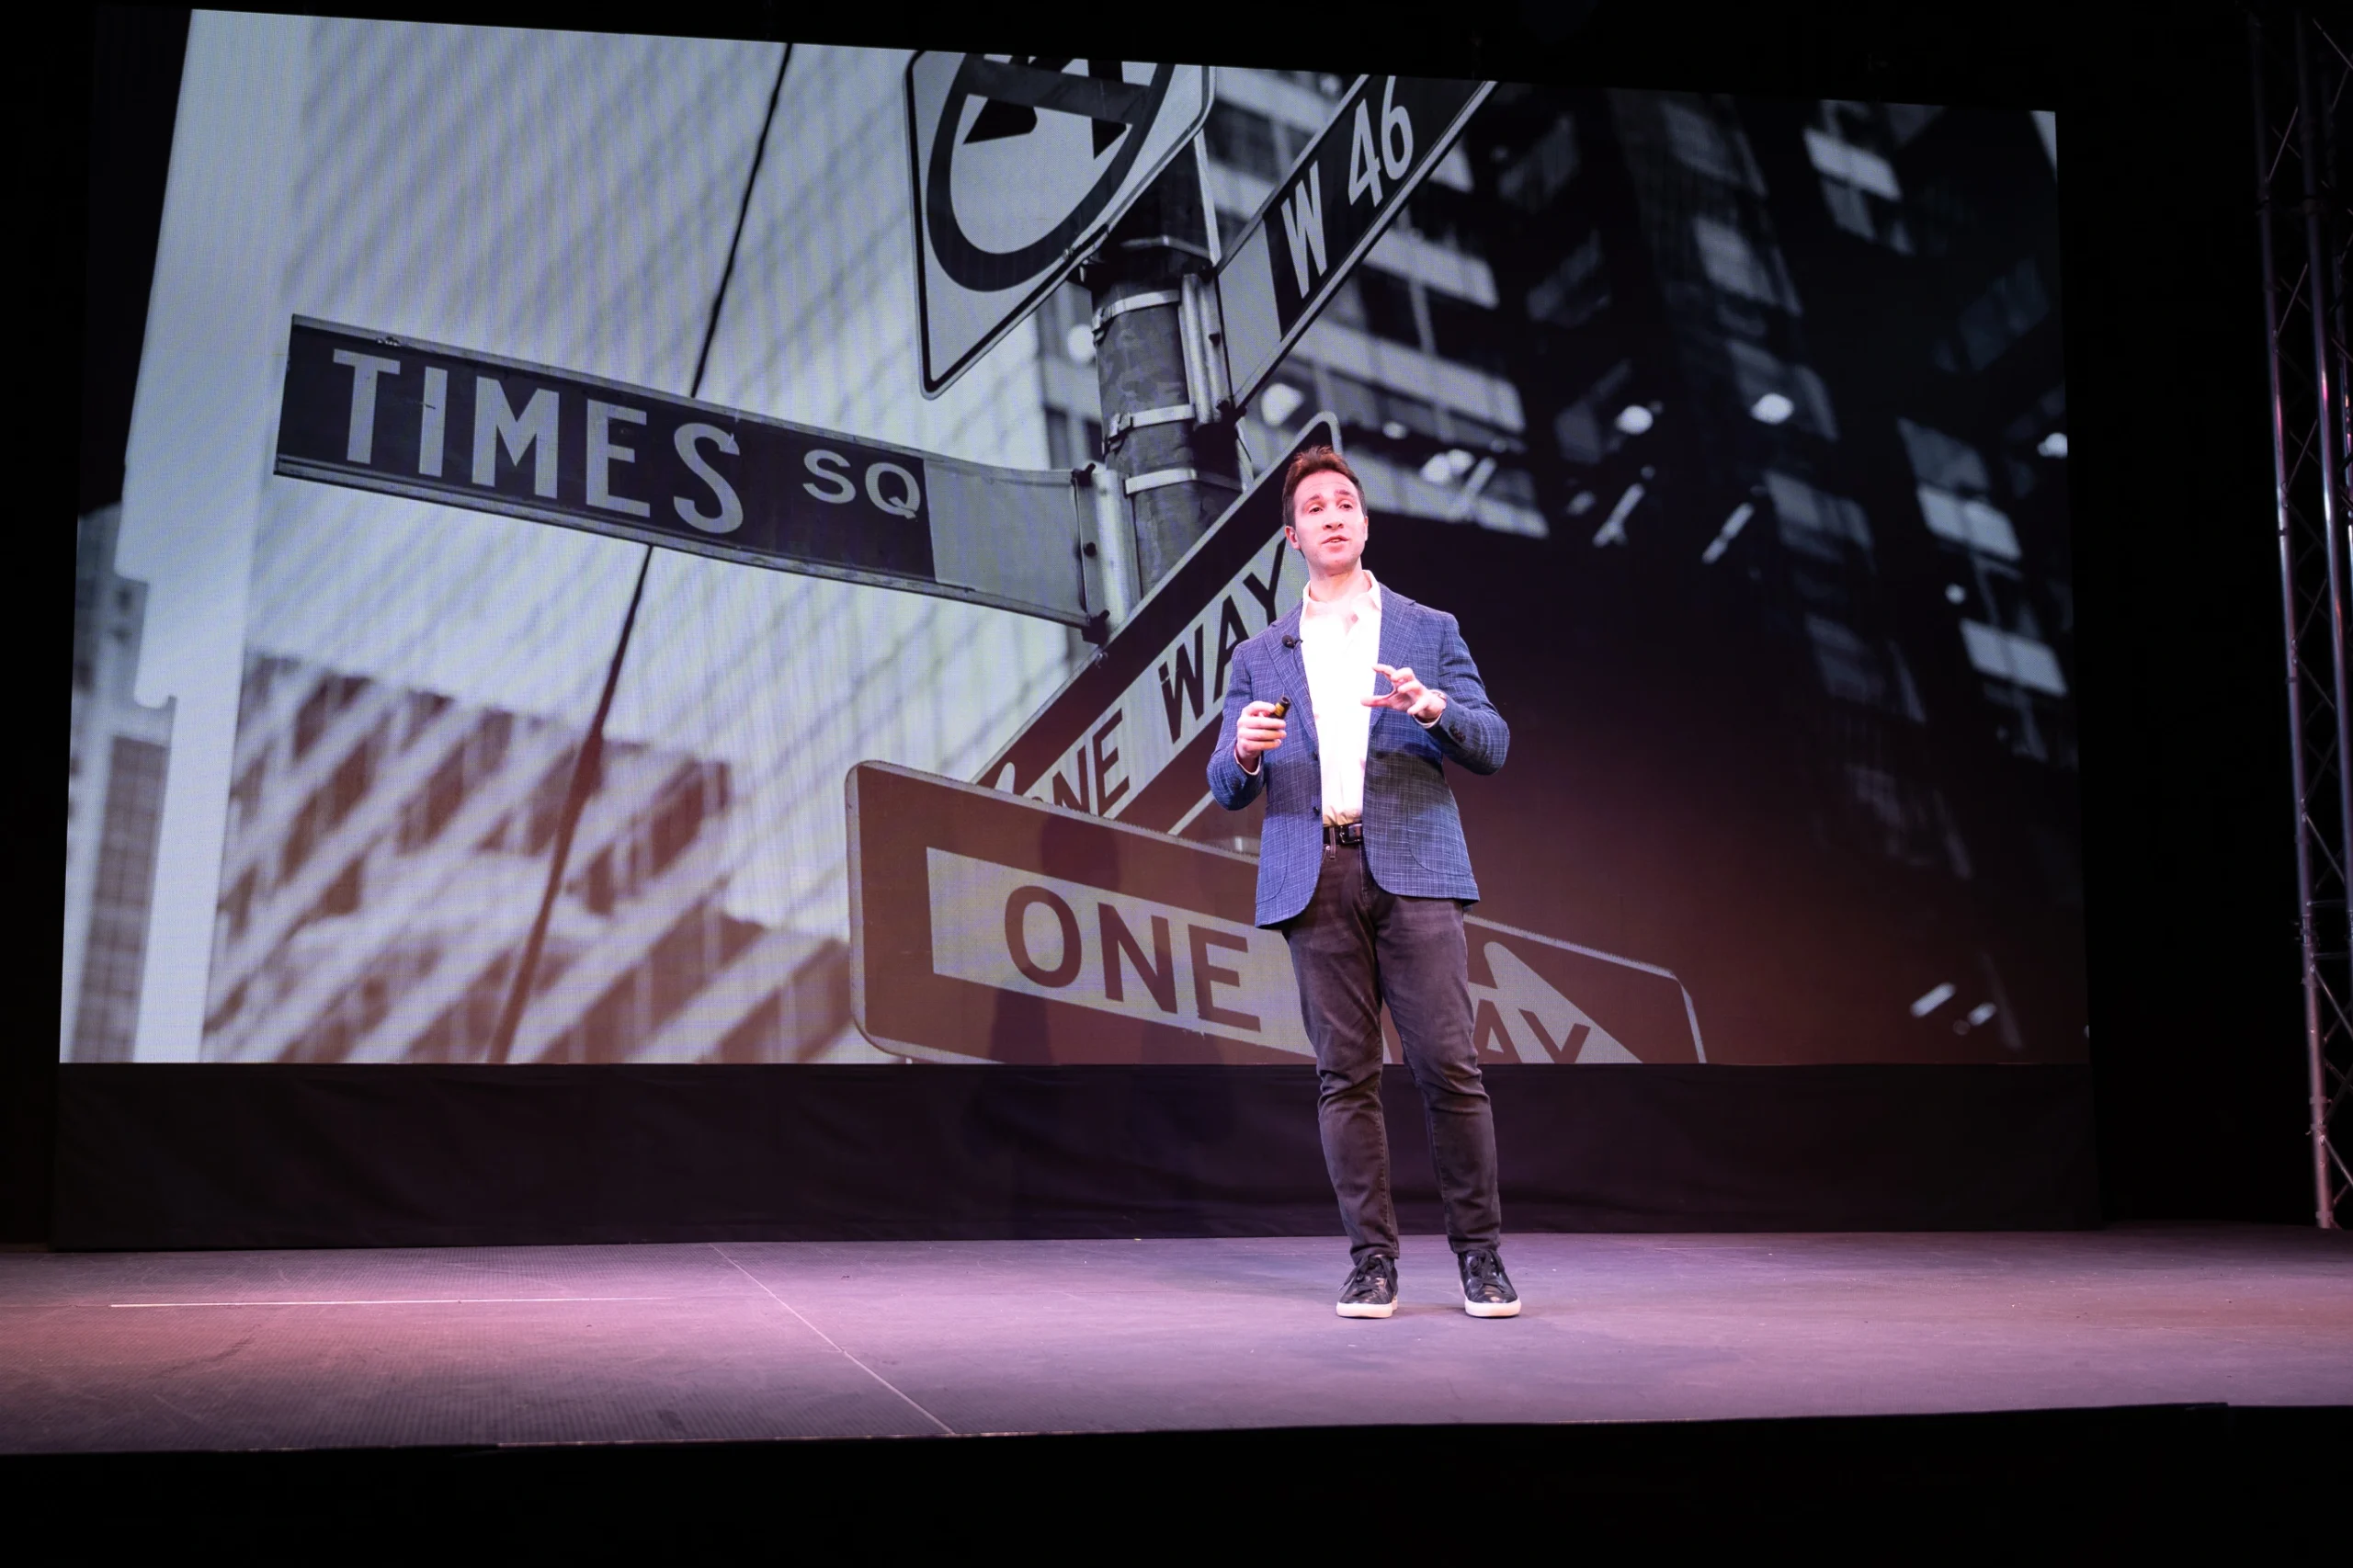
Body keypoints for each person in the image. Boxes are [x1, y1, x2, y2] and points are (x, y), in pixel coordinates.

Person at [1208, 446, 1518, 1319]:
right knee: (1344, 1078)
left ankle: (1480, 1259)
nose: (1334, 515)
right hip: (1317, 873)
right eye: (1315, 507)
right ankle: (1371, 1264)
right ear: (1293, 535)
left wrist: (1433, 709)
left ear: (1366, 523)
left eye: (1347, 501)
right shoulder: (1261, 654)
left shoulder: (1429, 629)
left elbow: (1491, 744)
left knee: (1449, 1069)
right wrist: (1241, 752)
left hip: (1414, 866)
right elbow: (1225, 784)